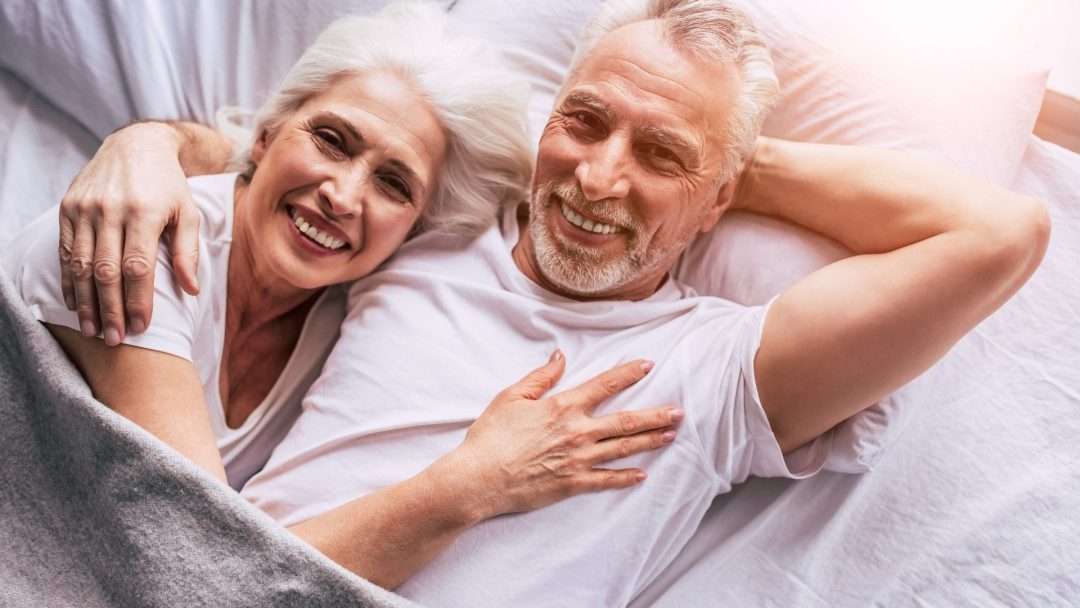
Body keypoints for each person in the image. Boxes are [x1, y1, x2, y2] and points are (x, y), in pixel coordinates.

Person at [55, 0, 1050, 604]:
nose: (599, 179)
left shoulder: (718, 365)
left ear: (719, 200)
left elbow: (1004, 235)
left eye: (658, 155)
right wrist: (145, 141)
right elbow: (293, 148)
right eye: (584, 122)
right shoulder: (433, 223)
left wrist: (736, 163)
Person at [1, 1, 687, 591]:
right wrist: (476, 483)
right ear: (268, 134)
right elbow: (203, 563)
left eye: (395, 185)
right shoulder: (142, 238)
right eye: (331, 140)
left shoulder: (347, 305)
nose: (343, 194)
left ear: (414, 228)